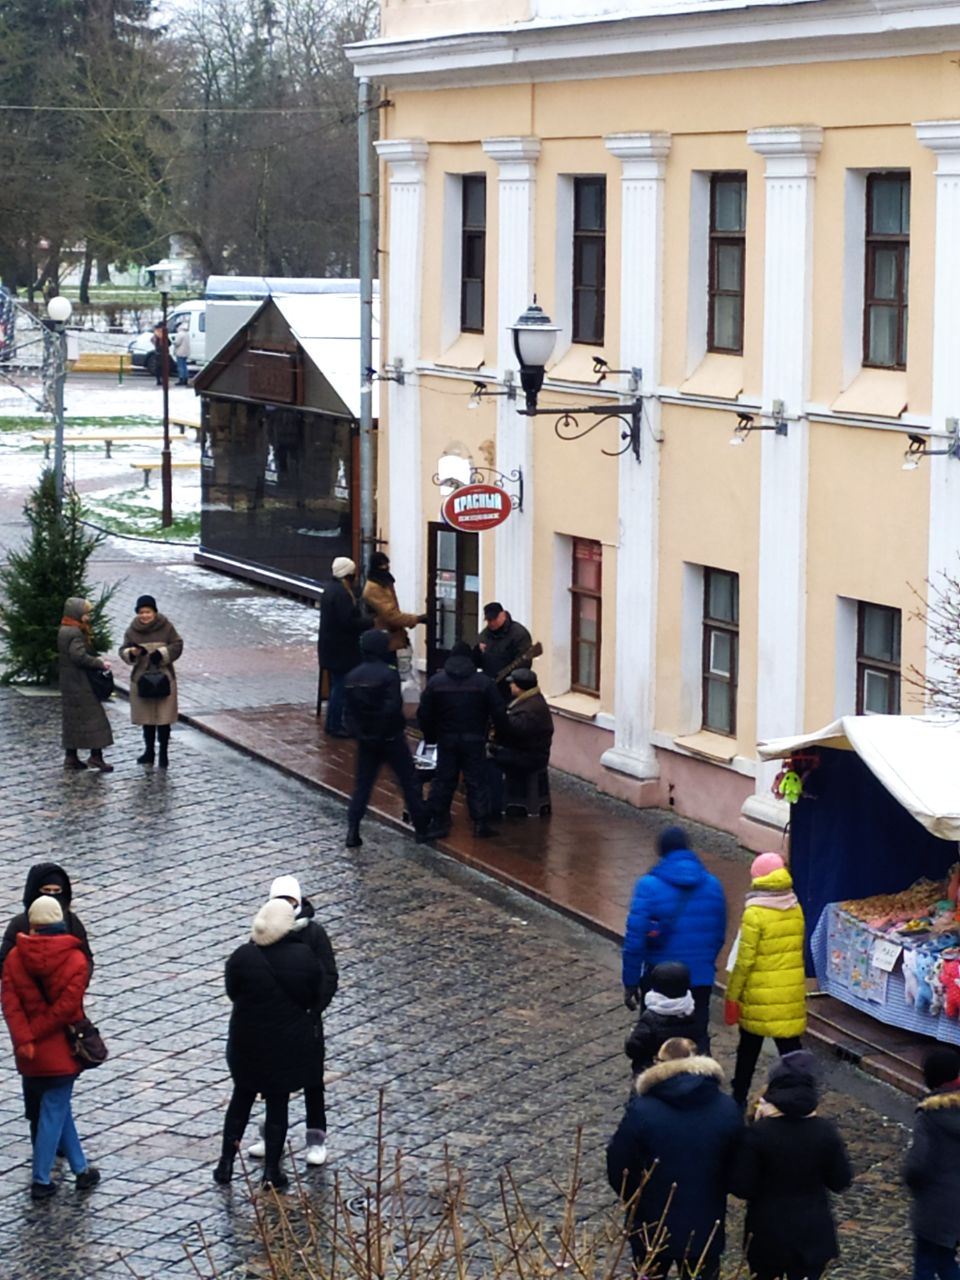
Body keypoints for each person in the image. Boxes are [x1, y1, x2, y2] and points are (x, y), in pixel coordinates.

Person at [214, 898, 330, 1190]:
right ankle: (271, 1173)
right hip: (285, 1043)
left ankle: (226, 1163)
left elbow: (233, 992)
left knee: (241, 1098)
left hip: (245, 1043)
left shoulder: (241, 957)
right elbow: (315, 995)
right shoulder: (304, 957)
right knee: (278, 1103)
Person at [606, 1037, 742, 1279]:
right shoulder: (727, 1109)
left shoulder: (642, 1109)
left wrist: (635, 1199)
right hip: (705, 1225)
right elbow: (739, 1167)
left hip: (651, 1225)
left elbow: (619, 1164)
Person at [1, 895, 100, 1200]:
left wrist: (25, 1039)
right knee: (54, 1111)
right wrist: (37, 1033)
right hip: (61, 1051)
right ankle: (41, 1178)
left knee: (59, 1108)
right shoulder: (76, 960)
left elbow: (10, 1005)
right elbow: (68, 1009)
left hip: (30, 1054)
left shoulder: (14, 959)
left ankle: (82, 1170)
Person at [730, 1050, 852, 1280]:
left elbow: (742, 1187)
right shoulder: (825, 1132)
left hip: (768, 1233)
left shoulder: (758, 1134)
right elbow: (840, 1181)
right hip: (812, 1234)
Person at [246, 875, 338, 1168]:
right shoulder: (264, 931)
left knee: (312, 1082)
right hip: (275, 1022)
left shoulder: (315, 934)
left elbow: (329, 976)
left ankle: (316, 1139)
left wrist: (313, 1008)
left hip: (305, 1021)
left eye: (290, 901)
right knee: (273, 1083)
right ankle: (270, 1136)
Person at [621, 825, 726, 1054]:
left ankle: (652, 1084)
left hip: (659, 977)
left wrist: (630, 981)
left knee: (653, 1041)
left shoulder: (648, 885)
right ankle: (701, 1082)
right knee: (697, 1039)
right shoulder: (713, 885)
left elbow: (634, 939)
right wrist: (704, 963)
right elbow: (719, 935)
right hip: (699, 977)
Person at [725, 852, 806, 1110]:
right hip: (788, 991)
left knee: (748, 1050)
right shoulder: (795, 905)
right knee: (792, 1052)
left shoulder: (755, 913)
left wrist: (733, 996)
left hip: (759, 993)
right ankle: (803, 1098)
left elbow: (744, 960)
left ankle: (738, 1098)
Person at [342, 629, 428, 848]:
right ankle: (422, 829)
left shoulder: (352, 676)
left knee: (362, 786)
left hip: (366, 741)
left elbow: (348, 714)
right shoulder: (388, 674)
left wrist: (362, 734)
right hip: (390, 739)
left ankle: (353, 830)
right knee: (408, 782)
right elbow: (392, 708)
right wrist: (387, 731)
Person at [418, 640, 507, 840]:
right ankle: (480, 823)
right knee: (476, 780)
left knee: (443, 779)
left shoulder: (436, 682)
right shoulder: (484, 682)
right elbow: (499, 712)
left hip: (446, 738)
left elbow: (424, 713)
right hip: (474, 738)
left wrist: (430, 735)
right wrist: (499, 734)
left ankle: (439, 821)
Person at [903, 1046, 960, 1280]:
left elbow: (918, 1164)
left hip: (936, 1205)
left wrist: (912, 1183)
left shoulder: (929, 1116)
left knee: (928, 1262)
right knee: (945, 1258)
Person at [119, 594, 183, 769]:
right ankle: (149, 752)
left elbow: (177, 645)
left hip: (164, 677)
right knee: (147, 720)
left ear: (154, 612)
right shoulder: (132, 630)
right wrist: (132, 652)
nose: (145, 615)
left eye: (148, 612)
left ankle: (163, 753)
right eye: (141, 612)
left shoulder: (167, 627)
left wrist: (161, 654)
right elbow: (123, 650)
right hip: (142, 679)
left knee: (163, 719)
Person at [487, 667, 553, 815]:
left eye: (512, 684)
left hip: (529, 756)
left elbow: (516, 732)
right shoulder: (531, 700)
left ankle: (494, 805)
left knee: (488, 761)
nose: (510, 686)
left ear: (520, 687)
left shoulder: (529, 709)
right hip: (530, 752)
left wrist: (499, 720)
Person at [58, 596, 113, 773]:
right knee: (95, 718)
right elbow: (78, 656)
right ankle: (96, 756)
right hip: (80, 683)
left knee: (73, 719)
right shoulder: (75, 632)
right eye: (86, 613)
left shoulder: (64, 629)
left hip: (69, 682)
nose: (88, 617)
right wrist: (99, 663)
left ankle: (71, 756)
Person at [318, 557, 372, 737]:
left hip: (331, 647)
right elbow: (347, 622)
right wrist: (369, 622)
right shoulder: (342, 594)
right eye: (353, 574)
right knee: (340, 687)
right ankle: (334, 725)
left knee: (339, 685)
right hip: (341, 649)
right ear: (348, 575)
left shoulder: (330, 590)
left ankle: (337, 722)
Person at [624, 961, 699, 1077]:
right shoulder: (690, 1010)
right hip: (682, 1069)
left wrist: (628, 1040)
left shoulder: (650, 1018)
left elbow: (634, 1047)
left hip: (650, 1071)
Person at [361, 551, 427, 660]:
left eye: (387, 564)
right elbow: (391, 615)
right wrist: (416, 619)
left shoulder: (384, 583)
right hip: (382, 640)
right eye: (382, 565)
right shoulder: (373, 588)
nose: (386, 567)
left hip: (390, 637)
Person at [474, 602, 532, 701]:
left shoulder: (519, 634)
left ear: (503, 615)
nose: (491, 623)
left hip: (511, 689)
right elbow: (476, 662)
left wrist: (509, 679)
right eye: (488, 620)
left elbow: (524, 663)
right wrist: (477, 651)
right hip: (489, 686)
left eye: (494, 619)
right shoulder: (484, 635)